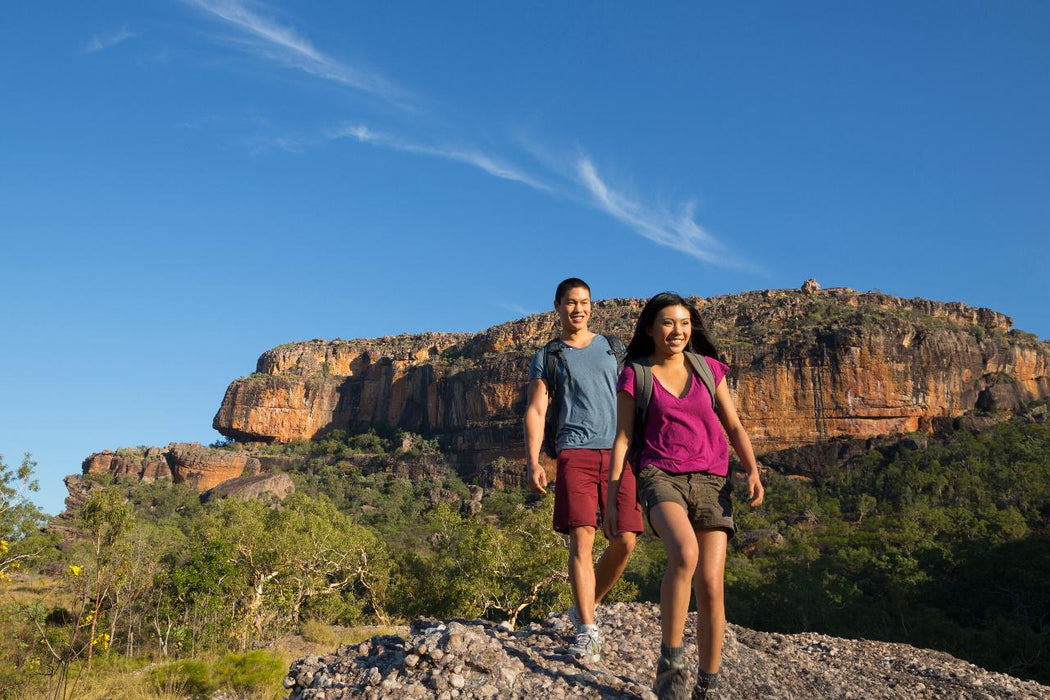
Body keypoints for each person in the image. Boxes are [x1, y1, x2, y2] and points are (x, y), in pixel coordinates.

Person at [603, 292, 764, 700]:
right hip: (661, 477)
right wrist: (612, 497)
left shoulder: (710, 369)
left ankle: (706, 687)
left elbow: (733, 424)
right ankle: (670, 665)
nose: (678, 331)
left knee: (711, 584)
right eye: (669, 323)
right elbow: (622, 437)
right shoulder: (635, 375)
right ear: (651, 329)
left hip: (712, 479)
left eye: (685, 322)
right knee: (685, 553)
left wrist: (752, 470)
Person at [524, 277, 643, 662]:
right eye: (571, 302)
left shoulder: (613, 348)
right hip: (574, 452)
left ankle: (583, 606)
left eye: (585, 302)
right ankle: (588, 630)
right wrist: (534, 460)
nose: (579, 309)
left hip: (618, 453)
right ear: (557, 306)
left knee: (625, 540)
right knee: (582, 539)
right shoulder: (548, 355)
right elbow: (537, 410)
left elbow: (637, 395)